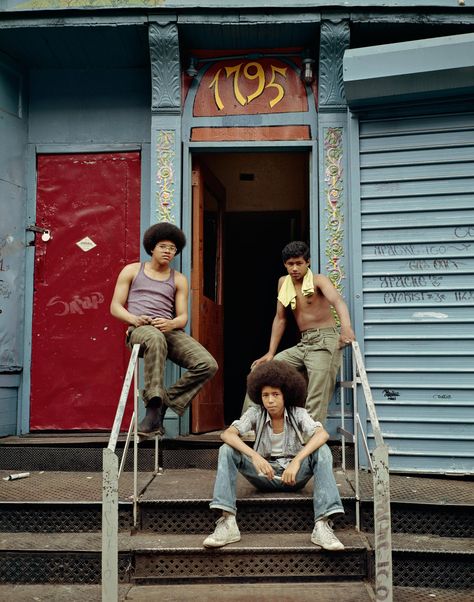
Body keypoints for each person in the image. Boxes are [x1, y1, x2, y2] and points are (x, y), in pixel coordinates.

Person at [203, 361, 345, 550]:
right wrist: (255, 456)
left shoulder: (298, 413)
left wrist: (297, 461)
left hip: (294, 476)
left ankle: (322, 525)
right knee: (226, 449)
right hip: (264, 474)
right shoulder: (255, 413)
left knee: (323, 450)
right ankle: (228, 522)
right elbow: (227, 434)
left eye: (276, 394)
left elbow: (322, 434)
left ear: (285, 394)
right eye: (265, 395)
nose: (270, 400)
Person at [110, 222, 218, 435]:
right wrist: (134, 319)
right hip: (141, 330)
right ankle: (152, 409)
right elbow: (115, 306)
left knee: (207, 364)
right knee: (155, 338)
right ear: (152, 248)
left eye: (173, 248)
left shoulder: (178, 279)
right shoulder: (132, 270)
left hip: (169, 330)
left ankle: (164, 402)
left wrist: (171, 323)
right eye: (163, 246)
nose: (168, 251)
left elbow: (183, 317)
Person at [244, 241, 355, 424]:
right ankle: (248, 425)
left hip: (324, 341)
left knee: (316, 394)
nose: (294, 268)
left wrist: (346, 327)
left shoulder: (319, 280)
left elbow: (338, 302)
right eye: (290, 264)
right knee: (261, 372)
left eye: (299, 263)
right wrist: (271, 353)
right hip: (304, 343)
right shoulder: (283, 282)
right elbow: (280, 318)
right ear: (284, 264)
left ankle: (309, 440)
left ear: (308, 262)